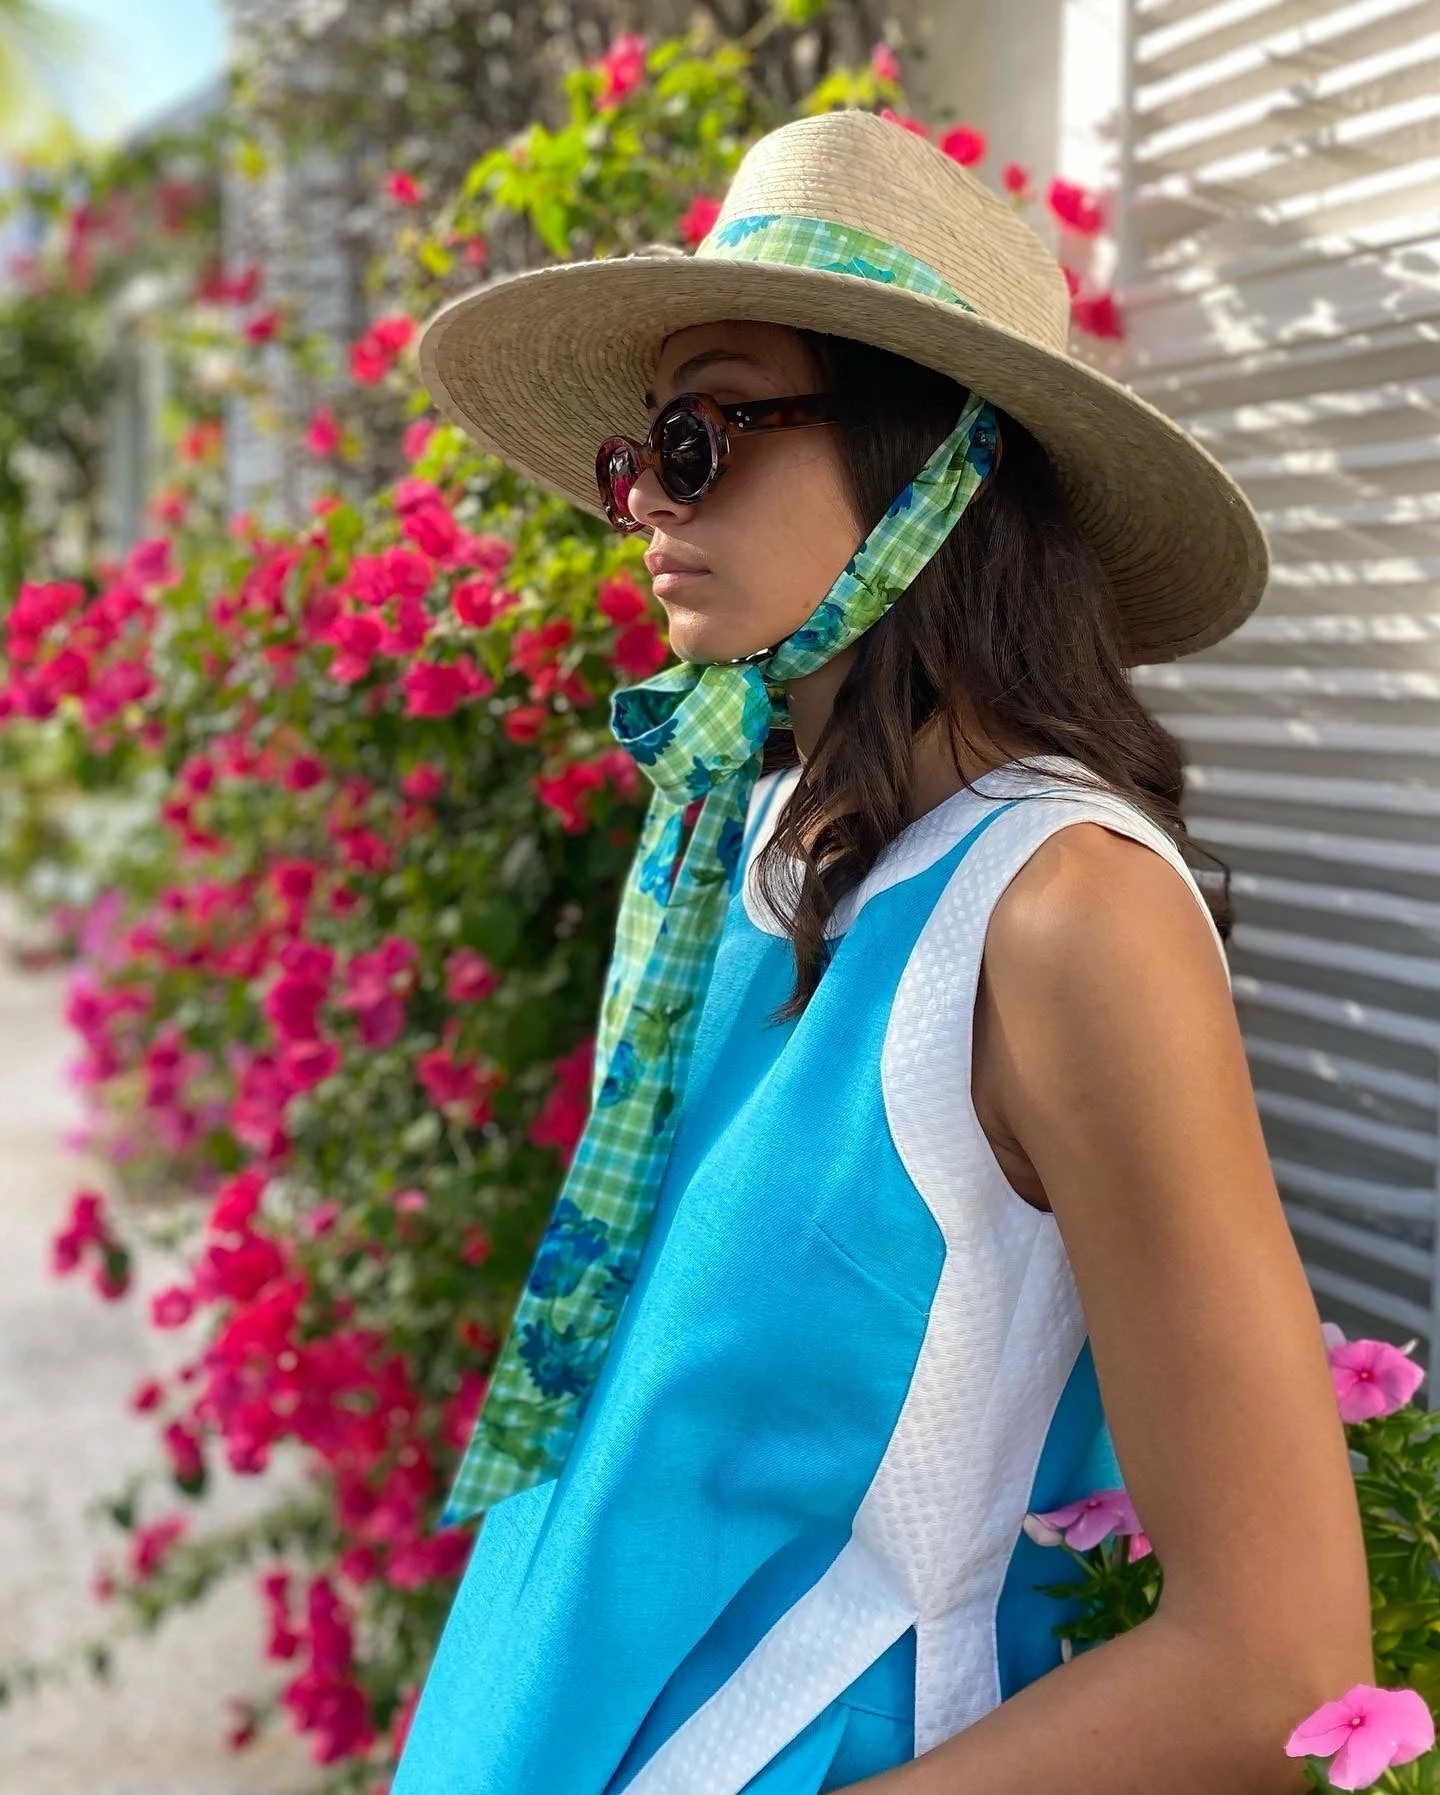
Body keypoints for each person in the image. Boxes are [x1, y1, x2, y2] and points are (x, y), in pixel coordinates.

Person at [393, 109, 1374, 1794]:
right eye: (640, 455)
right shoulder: (757, 848)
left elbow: (1274, 1662)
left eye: (702, 435)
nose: (646, 502)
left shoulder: (1068, 914)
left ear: (938, 461)